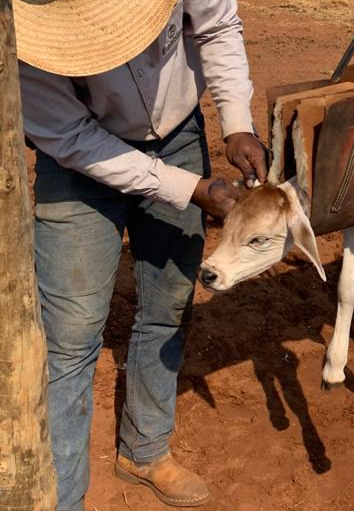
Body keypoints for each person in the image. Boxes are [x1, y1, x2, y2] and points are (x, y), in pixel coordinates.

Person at [13, 0, 267, 509]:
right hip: (78, 161)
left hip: (178, 137)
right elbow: (71, 138)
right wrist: (190, 189)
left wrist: (236, 121)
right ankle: (63, 497)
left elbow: (218, 26)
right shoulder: (27, 39)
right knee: (70, 336)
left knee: (170, 304)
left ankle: (144, 449)